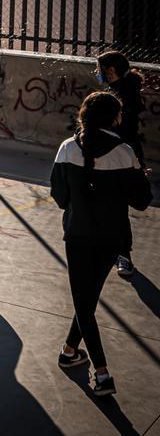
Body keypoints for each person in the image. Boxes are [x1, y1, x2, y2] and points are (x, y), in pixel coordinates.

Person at [50, 90, 152, 396]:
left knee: (84, 300)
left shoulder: (67, 148)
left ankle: (102, 373)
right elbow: (142, 201)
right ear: (115, 117)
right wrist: (137, 177)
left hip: (78, 234)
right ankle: (71, 353)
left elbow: (59, 196)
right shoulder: (125, 151)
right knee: (88, 298)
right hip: (112, 237)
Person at [95, 50, 147, 278]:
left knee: (118, 207)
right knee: (108, 205)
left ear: (111, 71)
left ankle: (123, 255)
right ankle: (112, 250)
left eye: (100, 70)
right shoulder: (117, 91)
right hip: (114, 155)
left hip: (123, 157)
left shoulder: (126, 95)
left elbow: (121, 130)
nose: (98, 74)